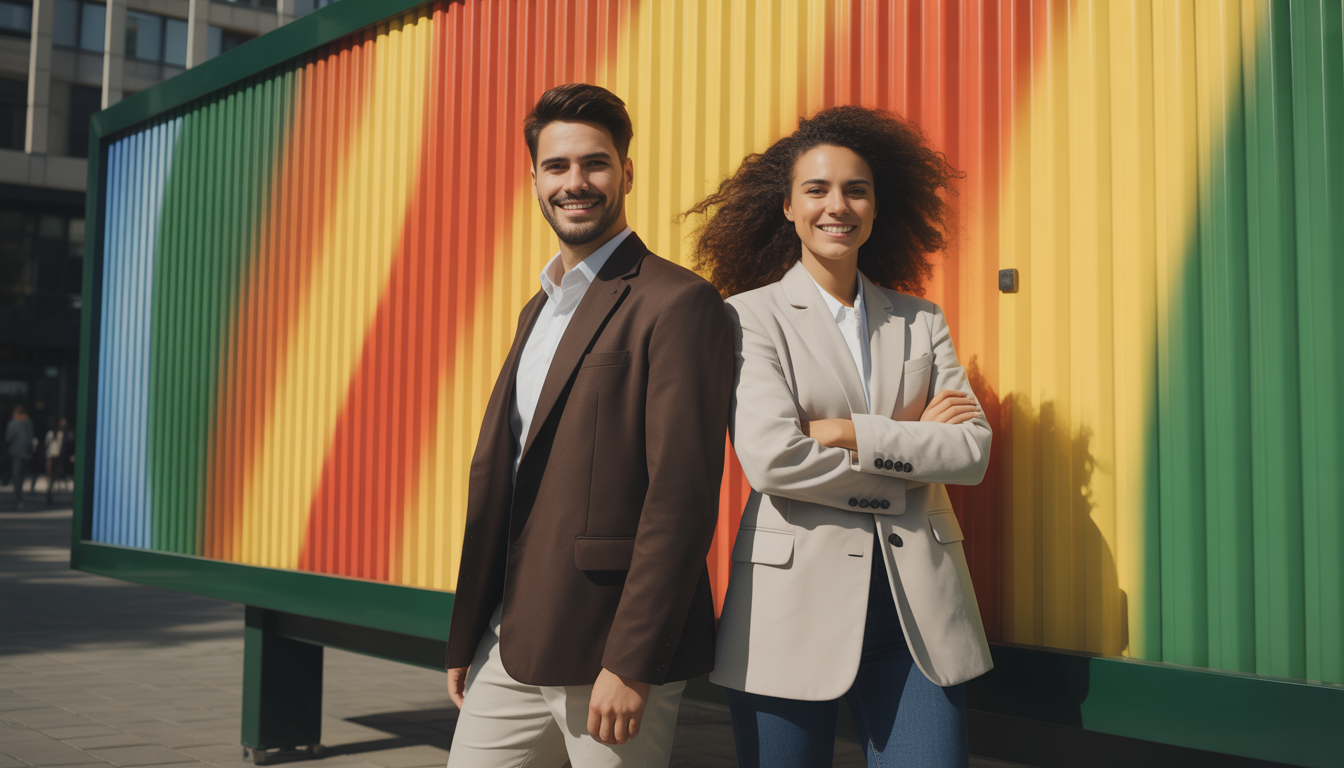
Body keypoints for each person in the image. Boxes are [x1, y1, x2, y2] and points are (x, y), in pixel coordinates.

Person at [683, 106, 993, 768]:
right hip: (787, 608)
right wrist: (909, 450)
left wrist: (846, 432)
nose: (838, 205)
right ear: (788, 207)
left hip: (917, 617)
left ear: (880, 208)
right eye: (817, 189)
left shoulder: (921, 320)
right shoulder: (748, 317)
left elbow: (971, 453)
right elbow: (773, 459)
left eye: (856, 189)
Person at [443, 83, 733, 768]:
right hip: (508, 639)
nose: (576, 183)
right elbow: (510, 480)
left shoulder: (679, 302)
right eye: (557, 166)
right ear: (536, 178)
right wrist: (468, 636)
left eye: (594, 164)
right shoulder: (536, 309)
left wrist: (631, 661)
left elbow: (681, 497)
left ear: (627, 172)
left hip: (610, 649)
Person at [6, 406, 35, 509]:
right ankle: (20, 496)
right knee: (21, 475)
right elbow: (32, 437)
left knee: (16, 475)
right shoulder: (28, 423)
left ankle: (18, 497)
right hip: (25, 452)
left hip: (15, 452)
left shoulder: (12, 424)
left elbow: (8, 438)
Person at [44, 418, 72, 502]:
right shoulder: (52, 433)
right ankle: (49, 495)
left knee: (63, 476)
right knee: (52, 477)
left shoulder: (69, 435)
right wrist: (48, 459)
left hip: (64, 458)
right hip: (54, 458)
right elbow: (47, 446)